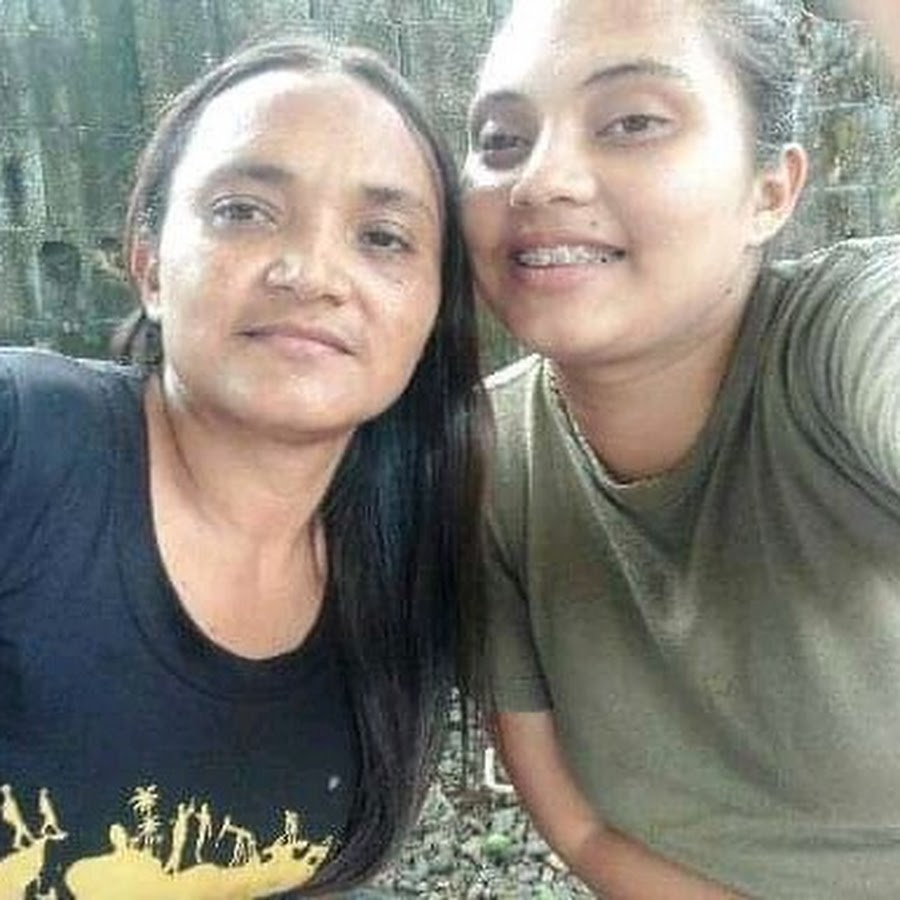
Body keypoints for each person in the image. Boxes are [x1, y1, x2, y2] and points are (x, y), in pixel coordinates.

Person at [0, 35, 486, 899]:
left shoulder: (409, 552)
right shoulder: (22, 441)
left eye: (383, 237)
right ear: (149, 264)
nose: (311, 273)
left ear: (434, 309)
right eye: (244, 211)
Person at [463, 0, 900, 897]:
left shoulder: (847, 341)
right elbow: (581, 827)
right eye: (502, 140)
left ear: (769, 192)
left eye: (632, 122)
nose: (539, 181)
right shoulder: (488, 463)